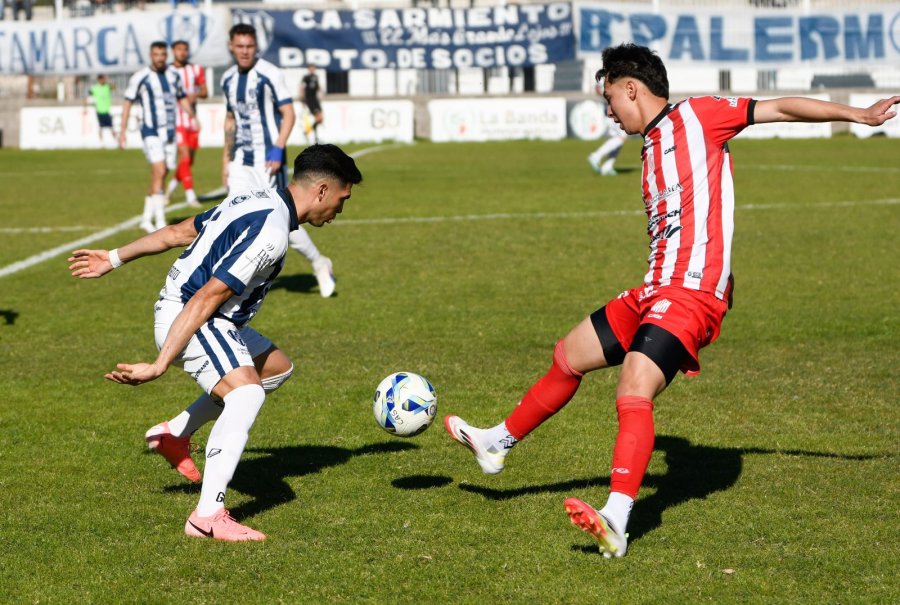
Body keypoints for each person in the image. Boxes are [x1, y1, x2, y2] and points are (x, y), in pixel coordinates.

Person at [444, 43, 900, 559]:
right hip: (656, 288)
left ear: (631, 87)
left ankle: (616, 518)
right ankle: (497, 443)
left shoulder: (698, 116)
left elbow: (779, 106)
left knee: (633, 388)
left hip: (690, 293)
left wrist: (856, 113)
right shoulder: (650, 146)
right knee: (569, 354)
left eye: (609, 97)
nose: (608, 111)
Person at [68, 144, 363, 542]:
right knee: (246, 396)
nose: (340, 211)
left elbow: (178, 232)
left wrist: (115, 257)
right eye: (342, 199)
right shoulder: (273, 234)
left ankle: (176, 432)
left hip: (204, 315)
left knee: (275, 369)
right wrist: (160, 364)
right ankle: (207, 516)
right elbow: (207, 296)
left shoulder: (256, 198)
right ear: (323, 190)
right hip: (194, 316)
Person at [222, 23, 337, 298]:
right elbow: (229, 121)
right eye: (240, 46)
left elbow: (288, 113)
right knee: (235, 216)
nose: (245, 51)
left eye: (250, 46)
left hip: (268, 160)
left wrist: (277, 148)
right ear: (231, 47)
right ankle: (238, 283)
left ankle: (319, 262)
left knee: (282, 218)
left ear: (256, 47)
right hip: (241, 160)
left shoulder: (269, 73)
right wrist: (225, 161)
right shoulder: (227, 79)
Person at [120, 41, 197, 234]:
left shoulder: (173, 75)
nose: (160, 58)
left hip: (169, 132)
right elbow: (128, 102)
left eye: (163, 54)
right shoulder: (141, 77)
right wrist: (122, 130)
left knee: (160, 174)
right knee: (160, 169)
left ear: (166, 55)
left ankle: (146, 219)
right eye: (156, 54)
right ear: (150, 55)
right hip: (150, 131)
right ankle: (160, 220)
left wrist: (193, 116)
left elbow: (181, 98)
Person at [165, 40, 208, 208]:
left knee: (188, 161)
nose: (182, 52)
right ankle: (190, 196)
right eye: (179, 49)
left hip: (192, 120)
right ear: (173, 51)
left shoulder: (195, 69)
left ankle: (171, 187)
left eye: (185, 49)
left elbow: (205, 91)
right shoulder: (167, 71)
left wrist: (194, 95)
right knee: (184, 156)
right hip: (175, 120)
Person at [86, 74, 116, 149]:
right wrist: (86, 106)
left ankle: (116, 141)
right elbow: (88, 95)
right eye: (102, 79)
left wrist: (109, 80)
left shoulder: (107, 86)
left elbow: (114, 87)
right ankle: (101, 143)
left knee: (111, 126)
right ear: (99, 80)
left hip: (106, 110)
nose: (104, 81)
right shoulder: (95, 88)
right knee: (101, 127)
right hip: (99, 110)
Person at [300, 64, 324, 144]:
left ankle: (307, 133)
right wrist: (303, 100)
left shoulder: (316, 77)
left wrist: (321, 92)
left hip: (315, 100)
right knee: (318, 118)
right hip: (310, 100)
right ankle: (314, 137)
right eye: (311, 68)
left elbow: (318, 87)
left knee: (320, 119)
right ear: (309, 69)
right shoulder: (306, 77)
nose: (312, 69)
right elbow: (302, 88)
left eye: (314, 68)